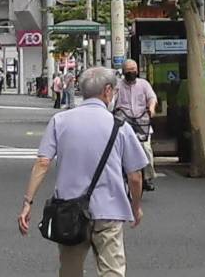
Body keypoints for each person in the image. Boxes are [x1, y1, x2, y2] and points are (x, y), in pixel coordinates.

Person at [18, 66, 147, 277]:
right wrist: (136, 206)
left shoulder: (60, 121)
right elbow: (135, 175)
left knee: (70, 270)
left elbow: (43, 163)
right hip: (109, 211)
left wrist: (27, 203)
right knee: (112, 271)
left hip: (70, 211)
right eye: (114, 91)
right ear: (107, 91)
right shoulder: (120, 127)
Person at [114, 59, 157, 191]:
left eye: (133, 70)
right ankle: (118, 177)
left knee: (146, 149)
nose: (131, 72)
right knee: (118, 150)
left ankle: (148, 177)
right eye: (128, 70)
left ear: (137, 70)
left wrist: (151, 108)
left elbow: (152, 98)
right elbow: (111, 101)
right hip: (123, 122)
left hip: (142, 122)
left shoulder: (144, 84)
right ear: (123, 71)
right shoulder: (117, 86)